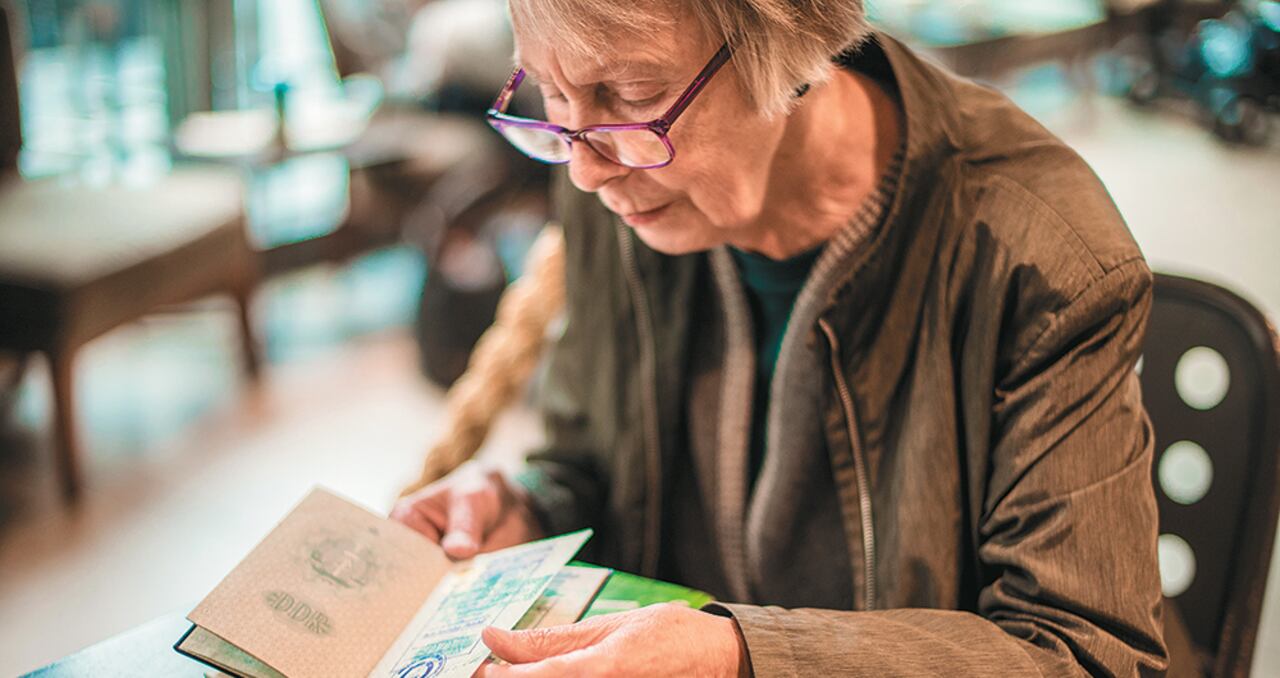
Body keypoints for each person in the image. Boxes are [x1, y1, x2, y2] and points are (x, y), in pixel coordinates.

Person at [392, 0, 1169, 674]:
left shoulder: (1040, 254)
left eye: (630, 92)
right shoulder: (612, 170)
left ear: (792, 42)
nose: (586, 171)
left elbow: (1082, 652)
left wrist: (741, 657)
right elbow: (590, 463)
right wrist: (526, 512)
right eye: (551, 94)